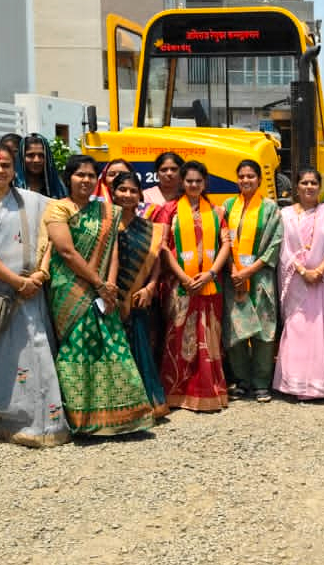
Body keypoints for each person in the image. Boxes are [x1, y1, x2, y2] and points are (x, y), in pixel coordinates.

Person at [0, 144, 69, 448]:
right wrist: (17, 282)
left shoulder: (29, 200)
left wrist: (40, 273)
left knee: (39, 357)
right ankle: (10, 423)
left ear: (13, 169)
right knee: (4, 362)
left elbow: (61, 213)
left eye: (5, 165)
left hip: (31, 293)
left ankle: (46, 423)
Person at [44, 155, 154, 435]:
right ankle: (81, 420)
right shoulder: (57, 209)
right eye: (80, 175)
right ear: (68, 178)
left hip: (104, 292)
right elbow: (67, 252)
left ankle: (123, 416)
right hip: (70, 289)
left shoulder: (106, 211)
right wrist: (98, 283)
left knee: (113, 347)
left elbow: (113, 250)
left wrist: (111, 287)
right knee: (77, 349)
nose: (86, 180)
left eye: (91, 176)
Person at [158, 160, 232, 411]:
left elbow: (226, 245)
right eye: (189, 181)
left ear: (205, 183)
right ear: (182, 182)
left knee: (208, 337)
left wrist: (211, 273)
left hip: (209, 285)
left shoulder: (217, 211)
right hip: (180, 285)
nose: (193, 185)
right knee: (178, 337)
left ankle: (207, 390)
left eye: (198, 181)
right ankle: (177, 391)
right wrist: (183, 277)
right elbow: (163, 247)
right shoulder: (169, 210)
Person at [272, 168, 324, 400]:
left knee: (319, 328)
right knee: (295, 328)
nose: (309, 187)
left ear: (319, 186)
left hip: (323, 280)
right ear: (296, 186)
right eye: (304, 183)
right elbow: (283, 249)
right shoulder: (284, 215)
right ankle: (292, 384)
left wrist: (319, 270)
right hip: (296, 279)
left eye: (314, 182)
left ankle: (320, 384)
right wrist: (304, 271)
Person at [221, 159, 283, 402]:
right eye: (242, 176)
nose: (246, 180)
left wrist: (248, 271)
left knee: (263, 331)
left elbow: (274, 244)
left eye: (250, 176)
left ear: (259, 179)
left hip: (259, 277)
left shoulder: (270, 208)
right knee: (235, 329)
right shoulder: (227, 206)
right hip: (233, 277)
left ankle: (260, 382)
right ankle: (242, 380)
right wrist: (234, 269)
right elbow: (222, 240)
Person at [112, 172, 170, 418]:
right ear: (113, 193)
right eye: (122, 190)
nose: (127, 195)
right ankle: (118, 406)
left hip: (139, 299)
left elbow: (157, 260)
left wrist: (150, 287)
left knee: (140, 348)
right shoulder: (106, 225)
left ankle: (146, 405)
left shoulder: (150, 229)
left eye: (132, 191)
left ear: (139, 195)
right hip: (111, 298)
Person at [12, 133, 66, 198]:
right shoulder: (12, 185)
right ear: (22, 157)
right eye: (30, 155)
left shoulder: (57, 187)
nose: (36, 160)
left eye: (41, 155)